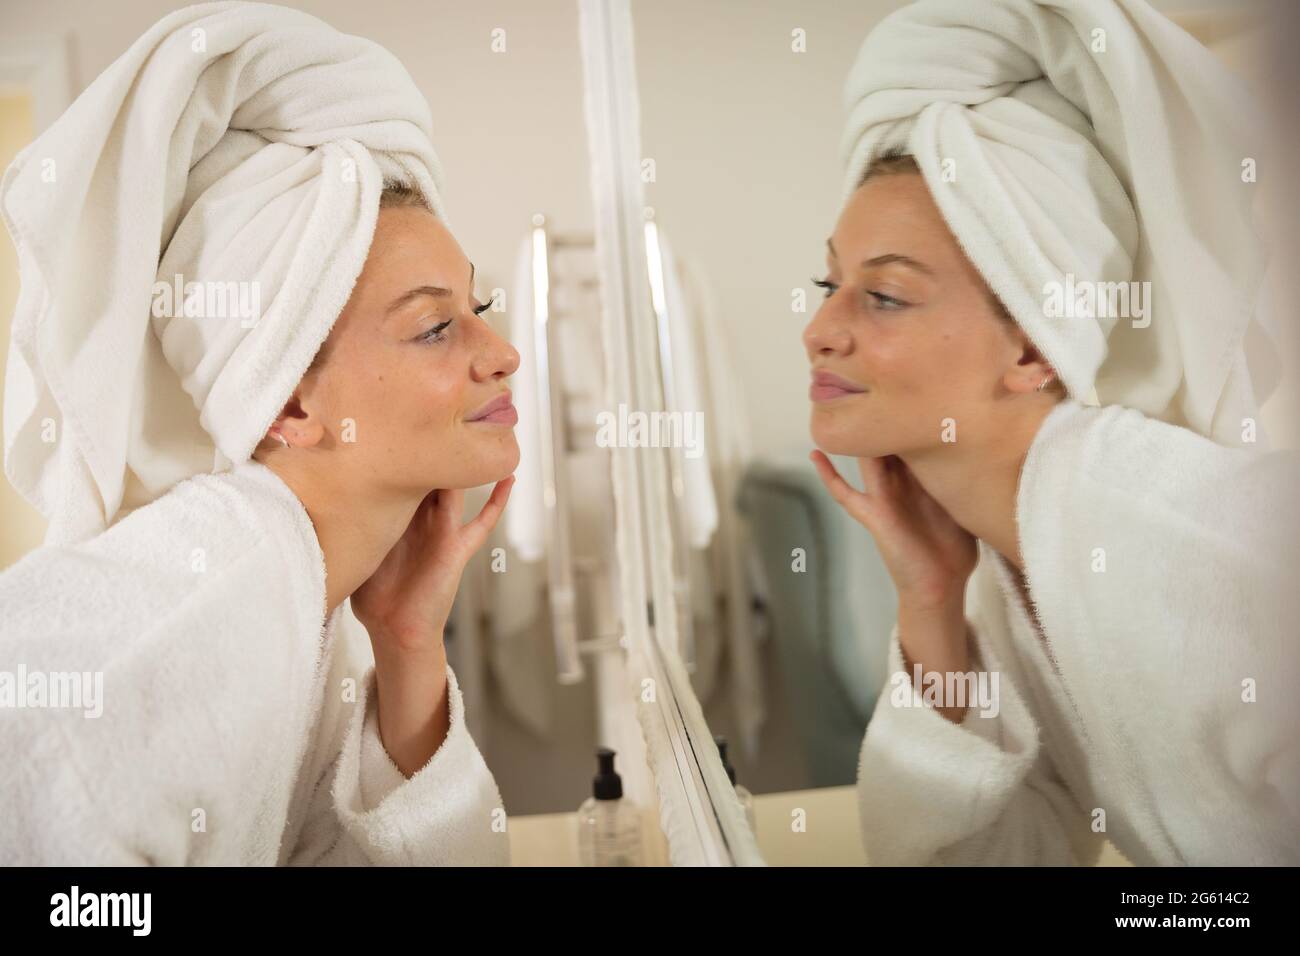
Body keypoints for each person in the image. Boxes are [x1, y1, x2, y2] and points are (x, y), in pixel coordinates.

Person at [0, 3, 517, 865]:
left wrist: (407, 642)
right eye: (436, 328)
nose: (502, 354)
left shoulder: (308, 608)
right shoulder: (196, 603)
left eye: (480, 307)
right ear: (290, 408)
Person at [806, 0, 1300, 865]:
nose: (819, 330)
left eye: (883, 295)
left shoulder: (1229, 540)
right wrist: (931, 605)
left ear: (1034, 347)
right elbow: (1001, 858)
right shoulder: (1008, 573)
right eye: (829, 283)